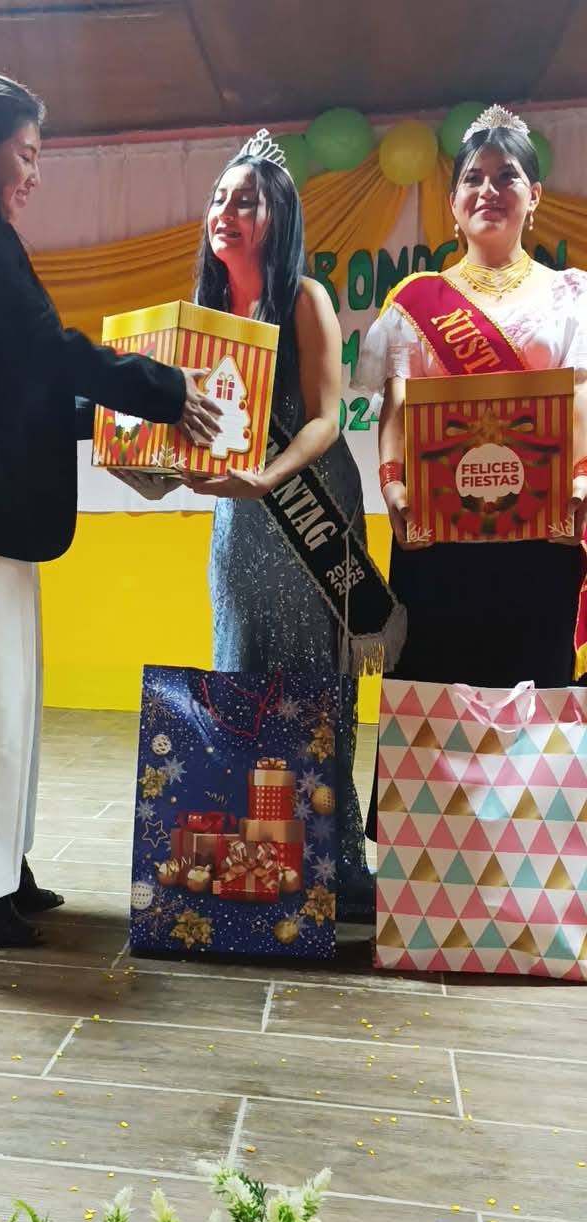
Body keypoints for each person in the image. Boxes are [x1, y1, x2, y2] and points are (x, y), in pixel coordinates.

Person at [0, 72, 221, 948]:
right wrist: (164, 391)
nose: (33, 173)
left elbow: (11, 381)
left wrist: (119, 426)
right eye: (24, 154)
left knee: (7, 697)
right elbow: (46, 350)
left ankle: (3, 868)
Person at [177, 131, 404, 922]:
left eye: (247, 200)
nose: (227, 211)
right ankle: (260, 856)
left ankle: (332, 866)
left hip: (309, 508)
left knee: (313, 687)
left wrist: (270, 477)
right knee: (242, 671)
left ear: (279, 216)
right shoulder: (204, 317)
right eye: (219, 198)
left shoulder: (305, 297)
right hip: (240, 520)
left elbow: (325, 419)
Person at [357, 105, 587, 834]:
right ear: (453, 201)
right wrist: (392, 483)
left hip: (539, 538)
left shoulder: (570, 295)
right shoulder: (414, 302)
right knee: (431, 693)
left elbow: (581, 398)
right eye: (473, 179)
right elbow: (397, 408)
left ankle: (534, 864)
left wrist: (582, 478)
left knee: (533, 697)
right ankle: (421, 861)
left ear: (534, 196)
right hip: (438, 541)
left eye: (506, 176)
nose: (489, 190)